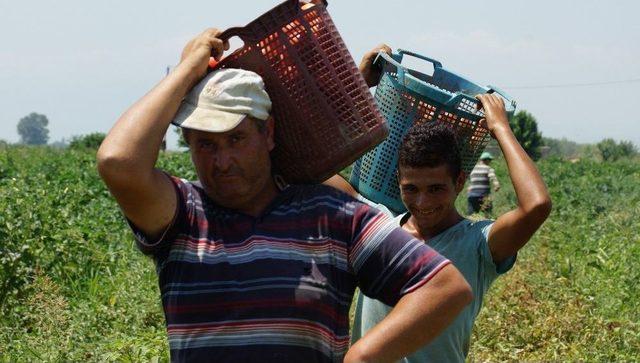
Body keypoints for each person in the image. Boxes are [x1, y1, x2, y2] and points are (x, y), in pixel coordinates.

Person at [96, 28, 473, 362]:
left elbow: (445, 288)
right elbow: (118, 162)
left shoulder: (334, 216)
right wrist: (188, 70)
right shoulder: (182, 213)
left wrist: (364, 356)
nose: (222, 160)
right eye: (205, 144)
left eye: (236, 138)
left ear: (269, 134)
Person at [327, 48, 552, 362]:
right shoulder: (377, 225)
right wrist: (359, 84)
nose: (423, 202)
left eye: (436, 189)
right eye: (411, 189)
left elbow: (536, 205)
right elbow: (299, 167)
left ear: (459, 182)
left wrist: (500, 128)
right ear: (397, 180)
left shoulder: (478, 245)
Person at [467, 151, 501, 215]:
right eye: (490, 160)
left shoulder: (473, 168)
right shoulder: (488, 168)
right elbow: (493, 178)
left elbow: (470, 181)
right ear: (486, 160)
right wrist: (497, 185)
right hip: (484, 195)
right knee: (487, 215)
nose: (490, 162)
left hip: (472, 195)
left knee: (472, 215)